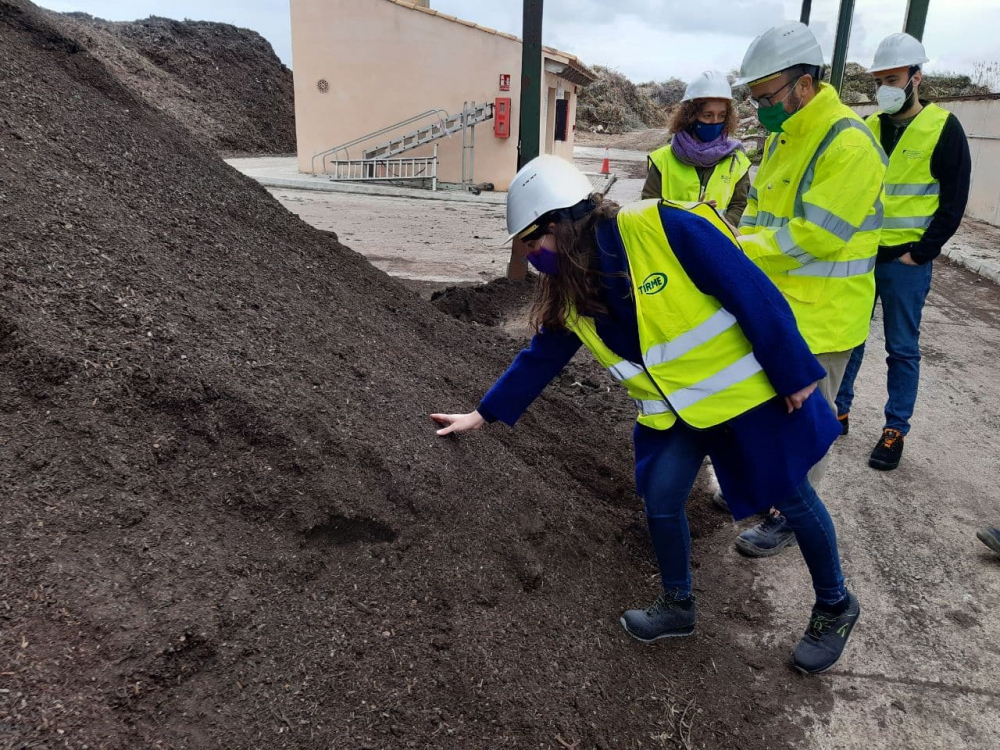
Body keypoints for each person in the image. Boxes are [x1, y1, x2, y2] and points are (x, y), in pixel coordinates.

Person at [430, 154, 860, 674]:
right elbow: (540, 357)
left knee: (791, 495)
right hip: (671, 414)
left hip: (741, 399)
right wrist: (483, 414)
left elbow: (750, 289)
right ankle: (678, 606)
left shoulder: (662, 226)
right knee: (660, 498)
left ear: (563, 223)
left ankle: (835, 604)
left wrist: (793, 370)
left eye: (533, 240)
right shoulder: (572, 287)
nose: (531, 255)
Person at [724, 22, 887, 557]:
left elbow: (820, 235)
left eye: (767, 96)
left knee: (805, 428)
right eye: (754, 99)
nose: (761, 108)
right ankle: (766, 493)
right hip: (775, 309)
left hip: (822, 317)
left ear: (804, 84)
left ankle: (791, 516)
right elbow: (758, 210)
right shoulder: (782, 135)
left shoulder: (848, 142)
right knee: (764, 411)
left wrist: (741, 248)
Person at [834, 33, 972, 471]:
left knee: (902, 348)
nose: (884, 88)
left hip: (905, 262)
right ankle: (838, 410)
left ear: (916, 77)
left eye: (892, 78)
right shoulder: (869, 127)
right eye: (879, 81)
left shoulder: (943, 127)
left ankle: (895, 430)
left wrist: (922, 253)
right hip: (862, 257)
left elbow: (954, 201)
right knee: (849, 338)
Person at [642, 70, 752, 228]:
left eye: (721, 116)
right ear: (691, 116)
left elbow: (740, 205)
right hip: (672, 245)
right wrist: (689, 213)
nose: (715, 122)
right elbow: (648, 207)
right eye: (707, 115)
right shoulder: (662, 160)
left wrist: (725, 227)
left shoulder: (737, 161)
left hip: (716, 245)